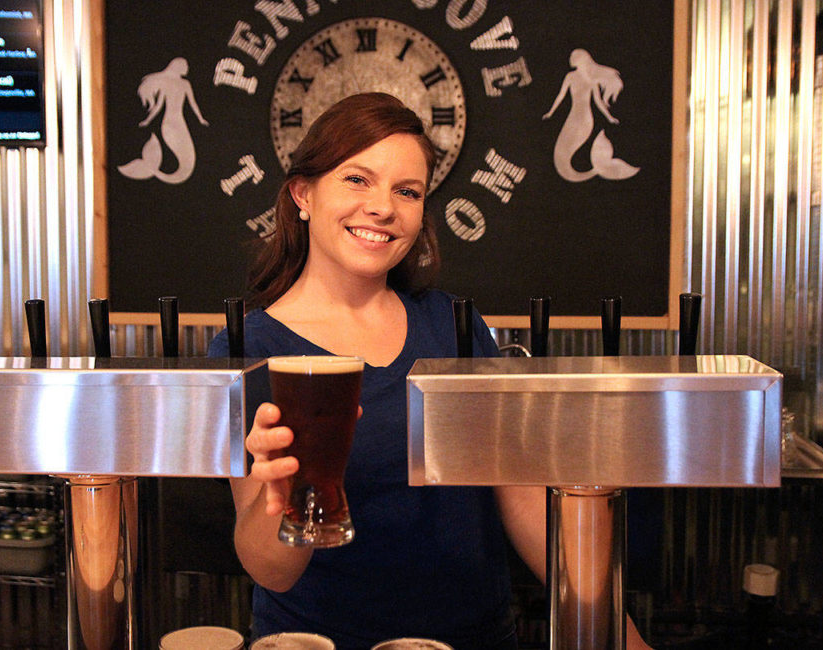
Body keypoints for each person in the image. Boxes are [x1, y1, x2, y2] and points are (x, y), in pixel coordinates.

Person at [208, 92, 651, 649]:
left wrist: (623, 636)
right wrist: (282, 497)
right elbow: (271, 570)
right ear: (303, 194)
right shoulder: (247, 348)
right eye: (357, 180)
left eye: (407, 191)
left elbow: (522, 496)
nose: (383, 208)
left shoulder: (455, 327)